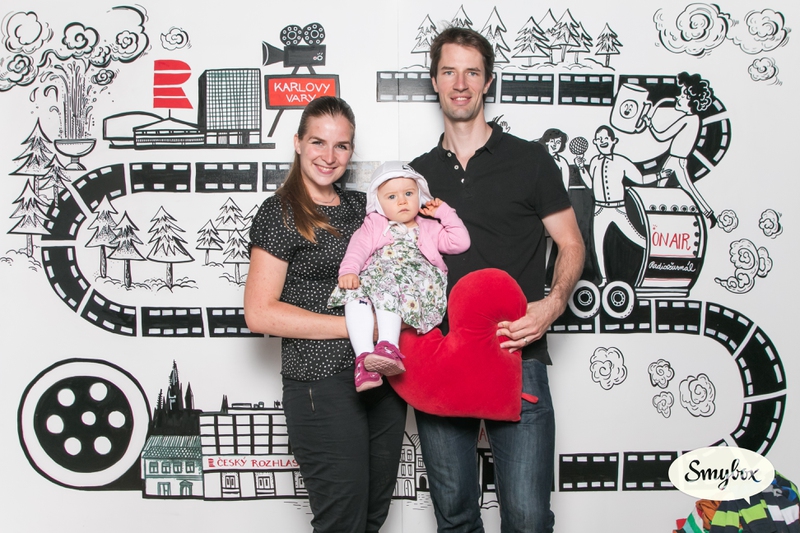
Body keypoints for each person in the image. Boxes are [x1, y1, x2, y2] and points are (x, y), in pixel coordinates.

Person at [409, 27, 585, 532]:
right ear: (435, 82)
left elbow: (572, 244)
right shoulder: (415, 177)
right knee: (455, 515)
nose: (460, 83)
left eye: (472, 72)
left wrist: (552, 305)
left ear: (487, 83)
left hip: (517, 354)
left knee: (528, 518)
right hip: (442, 359)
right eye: (449, 72)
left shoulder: (530, 160)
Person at [243, 96, 407, 533]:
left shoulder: (361, 207)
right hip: (321, 382)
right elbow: (259, 313)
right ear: (297, 142)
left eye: (341, 146)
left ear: (351, 151)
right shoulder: (280, 212)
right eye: (318, 142)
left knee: (372, 518)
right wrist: (356, 328)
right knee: (341, 522)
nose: (329, 156)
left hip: (382, 379)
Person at [328, 161, 470, 392]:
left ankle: (388, 346)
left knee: (390, 283)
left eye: (408, 194)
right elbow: (358, 248)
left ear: (419, 196)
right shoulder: (375, 224)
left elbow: (460, 242)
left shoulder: (428, 227)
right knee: (354, 296)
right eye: (392, 197)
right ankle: (364, 360)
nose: (402, 201)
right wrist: (349, 271)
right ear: (379, 204)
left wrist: (444, 212)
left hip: (416, 284)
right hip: (379, 278)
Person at [575, 125, 662, 286]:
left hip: (618, 209)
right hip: (600, 210)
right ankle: (604, 279)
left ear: (613, 141)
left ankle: (655, 260)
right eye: (599, 139)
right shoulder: (594, 161)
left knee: (637, 238)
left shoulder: (622, 161)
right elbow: (591, 185)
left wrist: (659, 175)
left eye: (605, 138)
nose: (602, 141)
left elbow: (640, 179)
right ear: (595, 142)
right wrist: (581, 168)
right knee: (598, 245)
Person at [642, 71, 717, 228]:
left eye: (682, 95)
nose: (678, 97)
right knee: (666, 188)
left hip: (677, 160)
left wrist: (649, 124)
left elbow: (662, 136)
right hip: (675, 159)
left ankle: (706, 215)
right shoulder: (694, 119)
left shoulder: (688, 119)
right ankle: (707, 214)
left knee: (677, 189)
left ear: (691, 101)